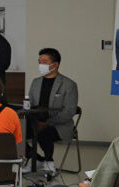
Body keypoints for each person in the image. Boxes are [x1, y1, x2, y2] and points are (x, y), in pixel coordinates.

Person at [25, 48, 79, 177]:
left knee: (44, 133)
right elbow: (31, 105)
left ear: (55, 64)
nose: (40, 65)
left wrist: (48, 122)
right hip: (36, 122)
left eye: (44, 62)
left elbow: (69, 111)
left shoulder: (69, 84)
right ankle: (36, 159)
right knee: (15, 132)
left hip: (59, 125)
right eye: (39, 62)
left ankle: (49, 162)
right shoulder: (36, 82)